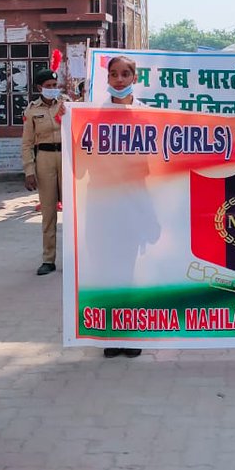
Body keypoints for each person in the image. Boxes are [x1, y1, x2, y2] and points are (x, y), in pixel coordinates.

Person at [95, 55, 145, 359]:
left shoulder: (147, 115)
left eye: (126, 74)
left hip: (137, 202)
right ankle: (111, 334)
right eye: (114, 74)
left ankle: (132, 332)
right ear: (108, 79)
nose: (120, 79)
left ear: (134, 78)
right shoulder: (94, 115)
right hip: (104, 203)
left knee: (132, 270)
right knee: (109, 269)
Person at [21, 68, 65, 275]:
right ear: (40, 88)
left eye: (55, 86)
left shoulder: (67, 104)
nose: (53, 90)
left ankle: (75, 257)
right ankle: (48, 259)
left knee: (73, 211)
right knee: (48, 211)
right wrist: (29, 170)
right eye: (48, 87)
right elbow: (27, 143)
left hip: (67, 157)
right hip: (45, 158)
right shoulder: (31, 111)